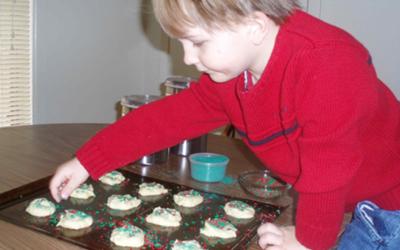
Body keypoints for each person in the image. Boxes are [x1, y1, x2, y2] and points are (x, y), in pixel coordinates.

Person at [49, 0, 400, 249]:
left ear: (254, 26)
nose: (187, 58)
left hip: (393, 205)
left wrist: (308, 241)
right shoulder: (234, 73)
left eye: (197, 42)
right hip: (354, 200)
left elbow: (328, 168)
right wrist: (87, 161)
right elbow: (166, 119)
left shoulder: (327, 64)